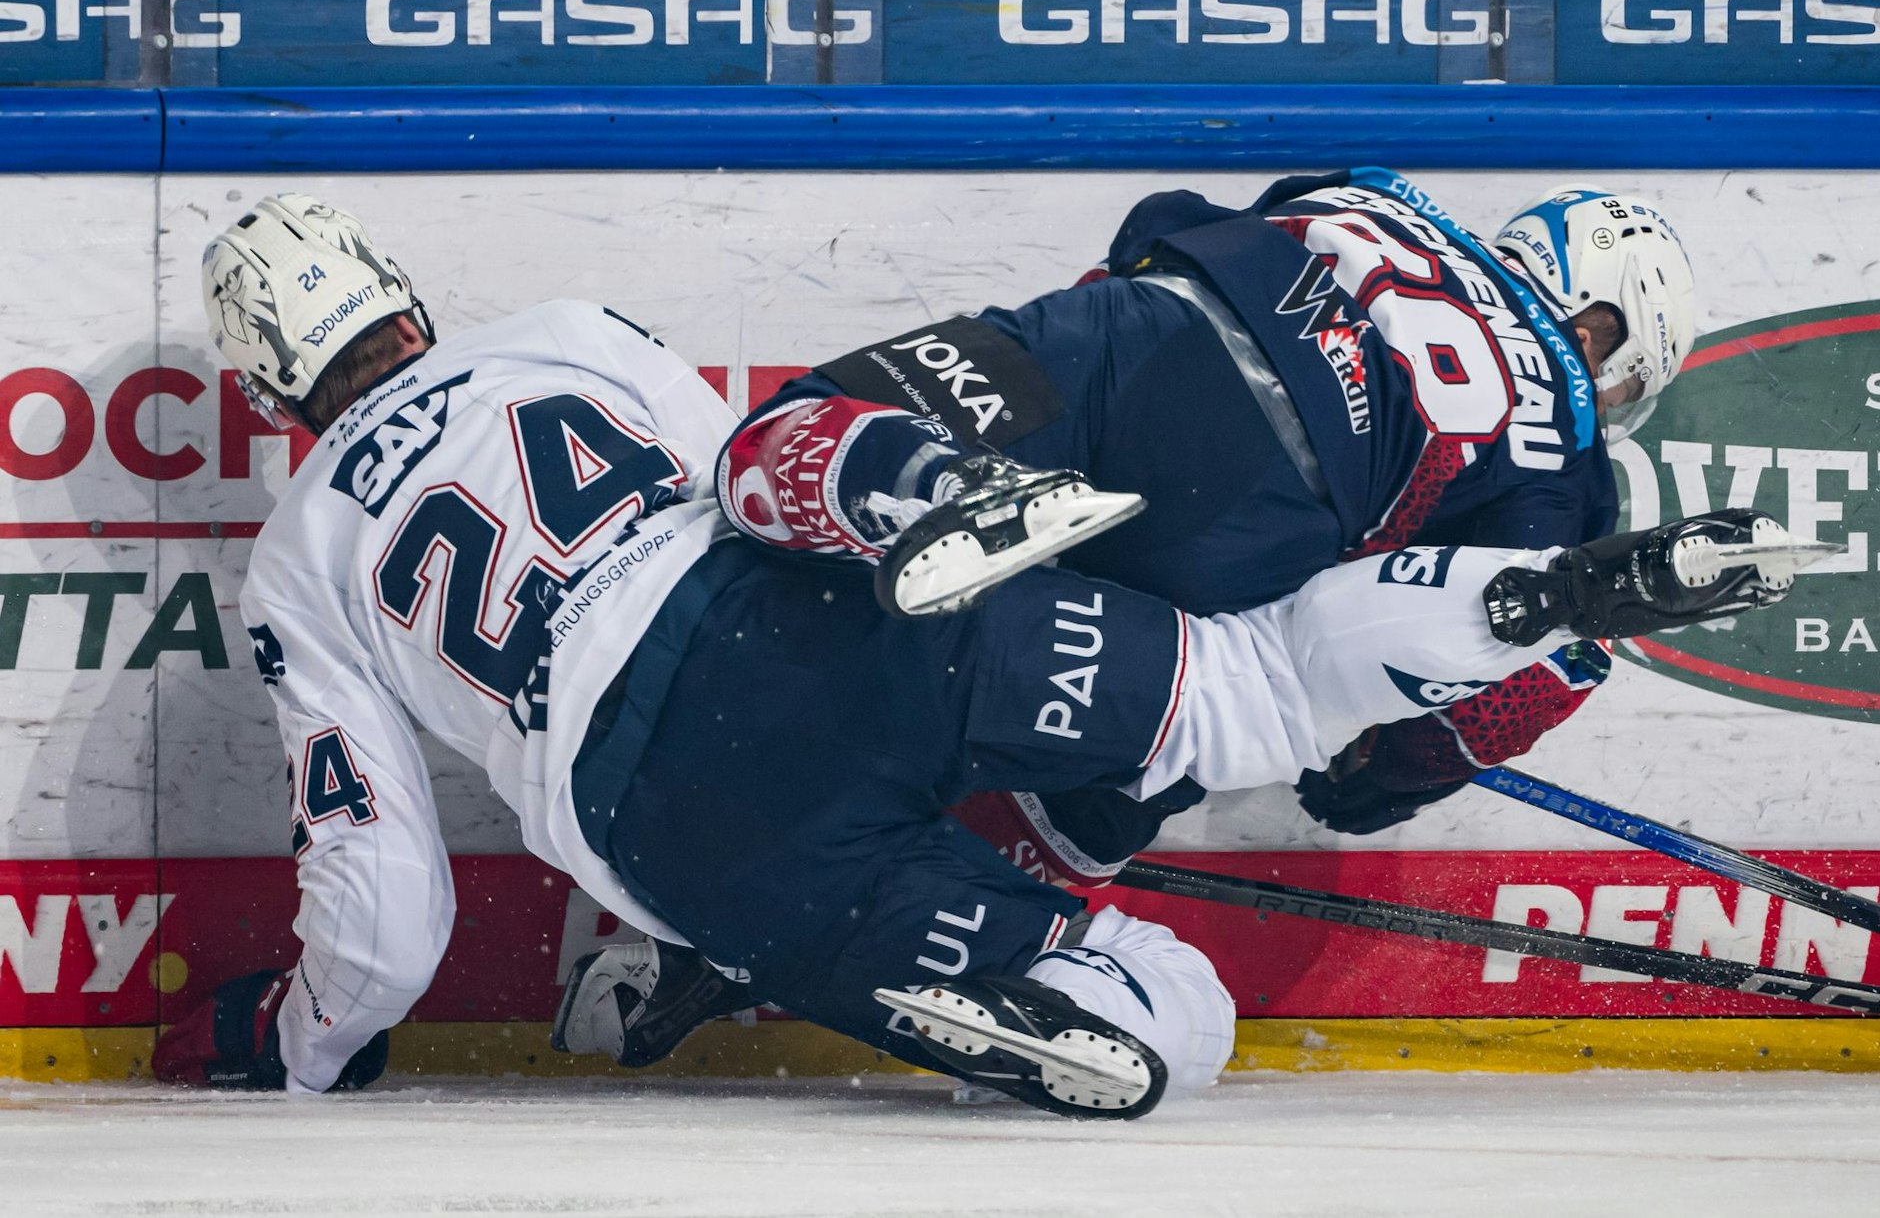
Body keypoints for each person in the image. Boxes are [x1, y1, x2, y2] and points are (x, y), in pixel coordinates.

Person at [149, 194, 1770, 1119]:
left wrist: (293, 1046)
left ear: (261, 389)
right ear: (406, 296)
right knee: (1250, 682)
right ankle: (1512, 598)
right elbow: (721, 483)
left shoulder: (299, 560)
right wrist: (1384, 756)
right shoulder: (565, 332)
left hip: (669, 808)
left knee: (1167, 1026)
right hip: (851, 629)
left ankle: (880, 938)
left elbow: (387, 920)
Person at [557, 170, 1701, 1069]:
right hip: (1261, 495)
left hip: (1112, 337)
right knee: (1176, 726)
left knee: (802, 434)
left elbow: (1162, 228)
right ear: (1614, 339)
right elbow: (1512, 678)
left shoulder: (1373, 192)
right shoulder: (1567, 456)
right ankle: (903, 937)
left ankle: (942, 480)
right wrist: (1377, 774)